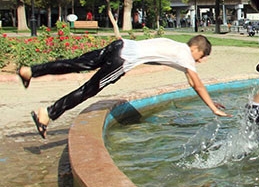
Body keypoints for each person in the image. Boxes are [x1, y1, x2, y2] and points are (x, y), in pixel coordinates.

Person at [17, 35, 231, 139]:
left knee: (75, 63)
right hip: (121, 61)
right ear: (195, 49)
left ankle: (31, 71)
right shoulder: (186, 55)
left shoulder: (175, 46)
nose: (199, 61)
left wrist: (212, 101)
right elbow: (196, 83)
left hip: (119, 45)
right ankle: (47, 113)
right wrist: (212, 108)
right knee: (88, 90)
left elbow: (191, 80)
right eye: (201, 56)